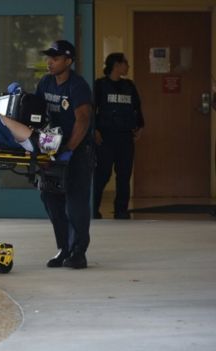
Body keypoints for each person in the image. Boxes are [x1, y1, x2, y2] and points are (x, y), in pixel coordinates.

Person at [35, 40, 94, 269]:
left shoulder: (77, 86)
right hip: (53, 150)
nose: (50, 62)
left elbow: (83, 119)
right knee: (51, 200)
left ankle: (79, 252)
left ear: (68, 61)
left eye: (56, 58)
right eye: (49, 57)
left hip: (76, 151)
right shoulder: (46, 82)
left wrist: (69, 149)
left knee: (76, 203)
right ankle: (64, 249)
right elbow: (38, 113)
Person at [92, 53, 144, 220]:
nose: (127, 66)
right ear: (116, 65)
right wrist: (94, 130)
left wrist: (140, 126)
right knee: (102, 174)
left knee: (124, 175)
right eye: (125, 63)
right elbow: (91, 110)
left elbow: (136, 107)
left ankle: (121, 211)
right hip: (105, 137)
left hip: (125, 136)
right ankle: (93, 209)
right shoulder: (100, 85)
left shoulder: (129, 85)